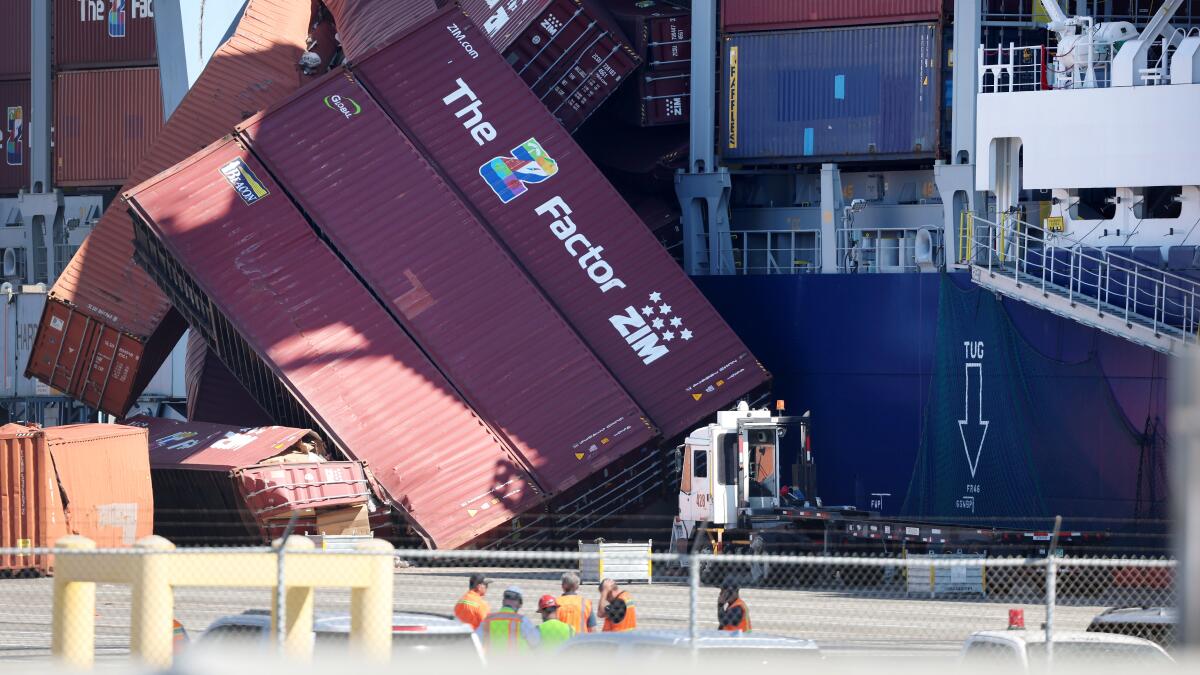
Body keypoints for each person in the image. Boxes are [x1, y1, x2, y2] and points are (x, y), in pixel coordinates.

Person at [477, 586, 541, 652]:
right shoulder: (522, 621)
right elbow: (536, 642)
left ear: (503, 601)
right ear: (520, 604)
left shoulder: (488, 619)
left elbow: (476, 641)